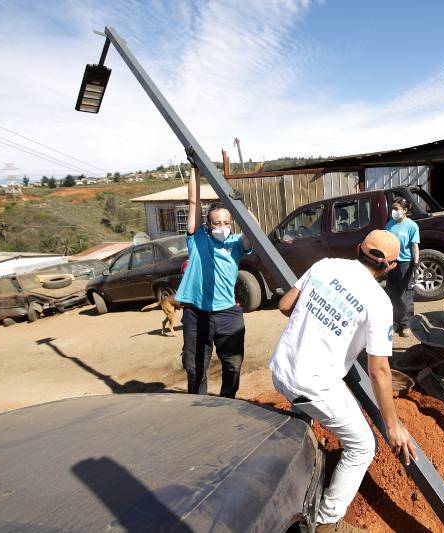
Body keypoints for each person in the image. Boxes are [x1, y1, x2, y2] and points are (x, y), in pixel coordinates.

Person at [269, 230, 418, 531]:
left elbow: (285, 306)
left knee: (310, 413)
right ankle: (325, 521)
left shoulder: (325, 265)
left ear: (357, 248)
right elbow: (379, 371)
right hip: (309, 384)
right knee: (363, 446)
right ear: (390, 267)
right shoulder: (379, 302)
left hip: (280, 368)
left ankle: (304, 458)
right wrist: (393, 425)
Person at [174, 160, 252, 397]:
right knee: (195, 367)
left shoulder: (236, 243)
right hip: (197, 314)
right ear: (208, 225)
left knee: (233, 366)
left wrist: (241, 206)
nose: (222, 227)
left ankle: (227, 402)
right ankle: (199, 409)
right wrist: (195, 170)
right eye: (217, 223)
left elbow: (255, 234)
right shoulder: (198, 239)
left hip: (227, 313)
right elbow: (193, 203)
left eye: (226, 222)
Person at [384, 196, 420, 337]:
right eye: (392, 208)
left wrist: (415, 264)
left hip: (406, 264)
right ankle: (394, 322)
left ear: (405, 210)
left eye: (396, 209)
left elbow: (414, 246)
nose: (393, 211)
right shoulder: (389, 225)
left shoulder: (412, 226)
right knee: (392, 294)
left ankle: (407, 324)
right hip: (392, 263)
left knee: (406, 295)